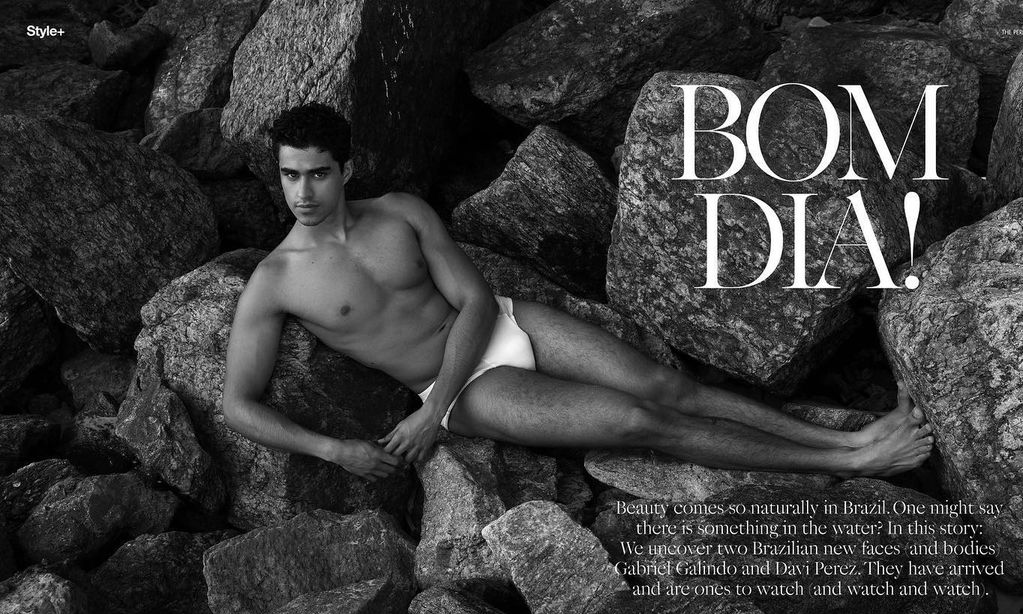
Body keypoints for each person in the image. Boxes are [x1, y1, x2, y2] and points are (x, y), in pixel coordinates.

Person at [222, 103, 933, 482]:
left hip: (500, 327)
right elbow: (237, 405)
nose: (302, 192)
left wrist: (428, 415)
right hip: (465, 391)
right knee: (636, 420)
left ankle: (854, 436)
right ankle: (850, 460)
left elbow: (476, 302)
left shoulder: (400, 212)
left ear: (345, 170)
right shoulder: (277, 281)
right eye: (290, 175)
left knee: (668, 386)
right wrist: (333, 451)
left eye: (317, 173)